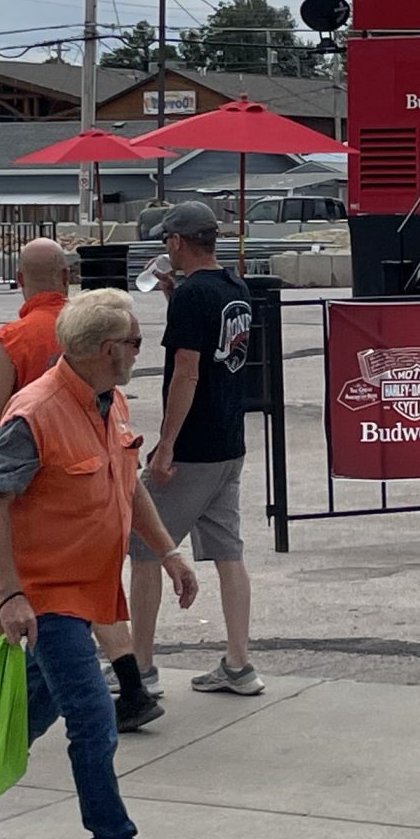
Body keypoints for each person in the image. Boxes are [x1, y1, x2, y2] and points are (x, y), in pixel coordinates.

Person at [0, 287, 198, 839]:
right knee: (94, 722)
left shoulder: (110, 400)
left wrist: (169, 552)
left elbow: (131, 486)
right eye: (134, 342)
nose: (138, 352)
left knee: (35, 711)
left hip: (89, 589)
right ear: (105, 350)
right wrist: (11, 595)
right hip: (46, 598)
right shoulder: (34, 412)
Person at [0, 242, 160, 737]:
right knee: (92, 593)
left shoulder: (17, 336)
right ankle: (133, 687)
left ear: (17, 278)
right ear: (67, 276)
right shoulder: (93, 327)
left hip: (29, 504)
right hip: (86, 496)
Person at [129, 198, 260, 697]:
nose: (166, 248)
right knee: (228, 550)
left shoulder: (193, 297)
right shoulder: (233, 289)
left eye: (167, 240)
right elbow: (213, 346)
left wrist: (166, 446)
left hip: (195, 448)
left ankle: (139, 669)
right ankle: (239, 662)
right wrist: (169, 295)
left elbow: (187, 370)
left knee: (144, 545)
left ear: (178, 242)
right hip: (230, 440)